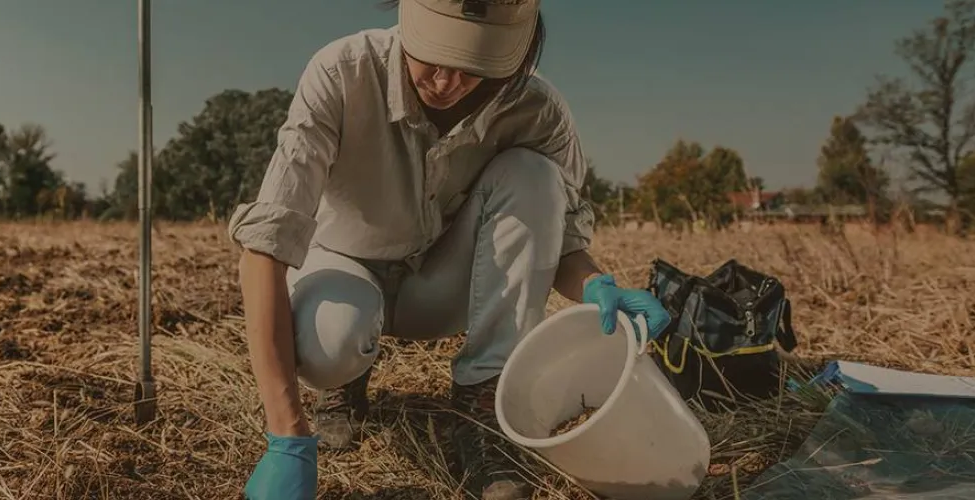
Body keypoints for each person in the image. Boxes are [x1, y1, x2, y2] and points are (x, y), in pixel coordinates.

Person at [230, 1, 672, 499]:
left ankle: (483, 407)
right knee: (333, 340)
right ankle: (340, 386)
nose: (447, 81)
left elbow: (560, 242)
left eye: (473, 67)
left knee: (535, 176)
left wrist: (596, 284)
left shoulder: (537, 112)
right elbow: (266, 245)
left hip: (441, 284)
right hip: (343, 268)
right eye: (434, 57)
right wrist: (286, 435)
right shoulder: (342, 71)